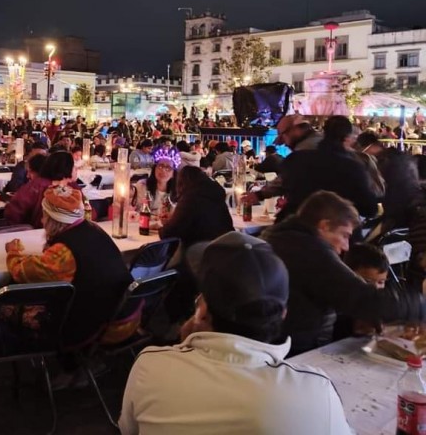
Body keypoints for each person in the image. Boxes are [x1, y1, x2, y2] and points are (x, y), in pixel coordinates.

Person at [119, 231, 353, 435]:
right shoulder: (316, 392)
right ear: (283, 312)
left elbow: (129, 430)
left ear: (202, 309)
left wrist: (184, 348)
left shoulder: (150, 366)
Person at [264, 190, 426, 354]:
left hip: (278, 344)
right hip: (295, 352)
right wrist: (420, 307)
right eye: (344, 235)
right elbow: (364, 299)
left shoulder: (280, 238)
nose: (346, 246)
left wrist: (350, 325)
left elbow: (312, 303)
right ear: (324, 226)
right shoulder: (307, 250)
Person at [5, 185, 135, 385]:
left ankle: (69, 366)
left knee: (7, 305)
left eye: (44, 216)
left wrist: (13, 252)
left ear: (51, 220)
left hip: (105, 325)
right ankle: (86, 362)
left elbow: (22, 272)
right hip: (126, 312)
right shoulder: (94, 229)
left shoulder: (63, 253)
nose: (41, 220)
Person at [272, 115, 379, 222]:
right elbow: (370, 209)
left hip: (297, 230)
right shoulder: (353, 167)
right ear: (347, 138)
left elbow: (288, 193)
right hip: (336, 229)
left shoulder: (294, 160)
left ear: (324, 132)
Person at [160, 165, 233, 252]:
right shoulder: (215, 195)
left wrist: (164, 226)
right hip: (224, 251)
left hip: (199, 255)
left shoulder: (190, 199)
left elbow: (168, 234)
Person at [3, 151, 73, 229]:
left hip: (39, 232)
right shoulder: (37, 186)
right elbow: (15, 209)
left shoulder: (37, 184)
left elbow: (13, 210)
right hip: (37, 233)